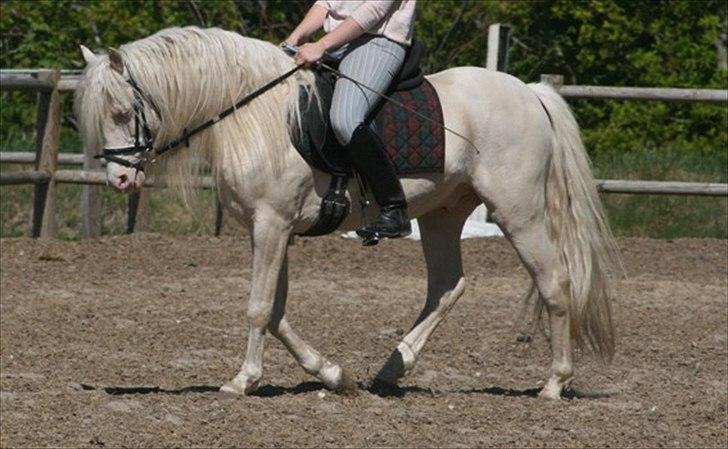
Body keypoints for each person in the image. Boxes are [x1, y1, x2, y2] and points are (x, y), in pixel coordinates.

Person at [284, 0, 416, 241]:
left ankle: (394, 207)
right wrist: (293, 39)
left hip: (377, 41)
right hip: (335, 42)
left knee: (345, 118)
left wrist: (321, 45)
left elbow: (374, 10)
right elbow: (325, 3)